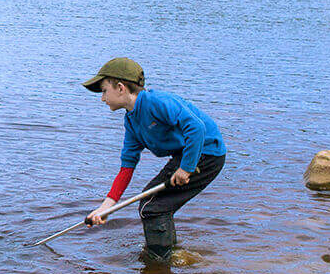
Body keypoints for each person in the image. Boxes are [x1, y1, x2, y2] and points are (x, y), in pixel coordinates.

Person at [82, 57, 227, 263]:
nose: (102, 98)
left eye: (104, 91)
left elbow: (196, 128)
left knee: (151, 207)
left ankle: (159, 260)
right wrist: (106, 207)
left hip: (206, 152)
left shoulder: (156, 102)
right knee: (155, 205)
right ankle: (173, 256)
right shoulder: (131, 121)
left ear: (121, 88)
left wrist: (186, 168)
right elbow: (127, 167)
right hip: (186, 155)